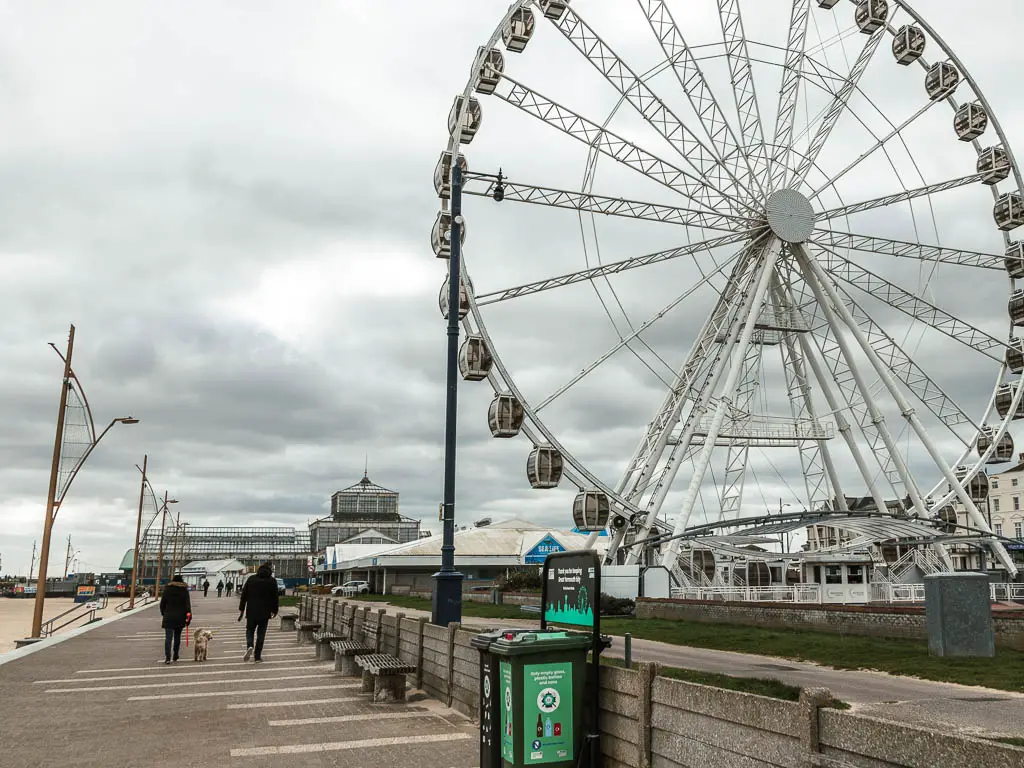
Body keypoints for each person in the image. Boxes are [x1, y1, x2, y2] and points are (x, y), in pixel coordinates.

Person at [238, 563, 278, 662]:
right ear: (270, 571)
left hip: (251, 611)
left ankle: (249, 646)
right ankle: (257, 656)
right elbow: (275, 598)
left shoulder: (251, 579)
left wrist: (242, 609)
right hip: (265, 612)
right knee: (261, 634)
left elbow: (244, 596)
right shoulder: (272, 581)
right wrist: (274, 610)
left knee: (250, 630)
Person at [159, 574, 191, 664]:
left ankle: (167, 657)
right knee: (177, 637)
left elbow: (162, 604)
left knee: (168, 638)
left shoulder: (167, 589)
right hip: (180, 617)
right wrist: (188, 617)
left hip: (168, 616)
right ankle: (175, 655)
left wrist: (164, 613)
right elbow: (187, 605)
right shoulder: (184, 590)